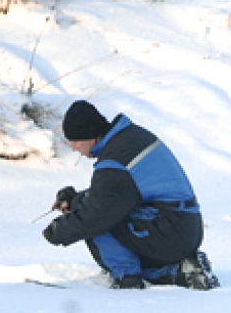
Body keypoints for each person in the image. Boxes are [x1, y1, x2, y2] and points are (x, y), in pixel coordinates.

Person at [41, 100, 219, 291]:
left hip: (171, 229)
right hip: (182, 225)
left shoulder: (115, 160)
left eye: (75, 141)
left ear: (90, 136)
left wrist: (58, 231)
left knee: (99, 223)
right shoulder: (129, 139)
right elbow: (114, 194)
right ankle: (181, 270)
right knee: (100, 212)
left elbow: (97, 214)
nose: (74, 148)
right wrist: (75, 200)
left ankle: (128, 278)